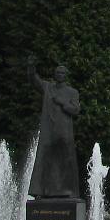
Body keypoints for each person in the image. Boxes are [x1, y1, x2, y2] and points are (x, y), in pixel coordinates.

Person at [26, 57, 81, 199]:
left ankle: (67, 191)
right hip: (48, 130)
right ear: (54, 75)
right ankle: (41, 191)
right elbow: (34, 80)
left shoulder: (72, 92)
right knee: (44, 159)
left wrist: (62, 103)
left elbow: (75, 110)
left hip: (64, 131)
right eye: (57, 73)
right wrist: (31, 67)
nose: (60, 75)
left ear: (66, 76)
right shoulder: (48, 87)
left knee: (65, 161)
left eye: (62, 73)